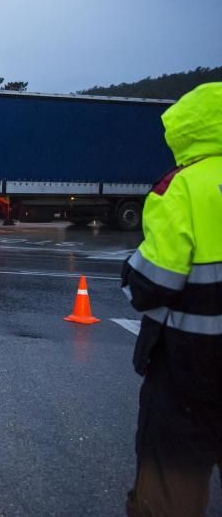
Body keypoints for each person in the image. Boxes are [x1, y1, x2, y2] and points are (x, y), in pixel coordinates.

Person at [121, 82, 222, 515]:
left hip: (192, 370)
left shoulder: (181, 189)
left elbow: (151, 285)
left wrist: (129, 270)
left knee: (171, 489)